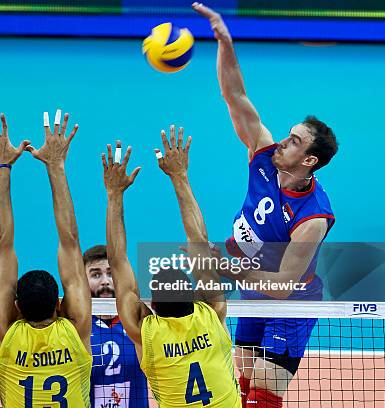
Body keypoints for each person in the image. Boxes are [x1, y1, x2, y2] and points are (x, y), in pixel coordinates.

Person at [193, 3, 338, 407]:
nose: (283, 142)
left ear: (308, 161)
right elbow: (234, 94)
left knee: (263, 396)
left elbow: (282, 286)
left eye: (294, 141)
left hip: (290, 303)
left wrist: (228, 268)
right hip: (254, 288)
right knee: (242, 382)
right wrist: (224, 41)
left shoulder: (312, 217)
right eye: (288, 134)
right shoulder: (262, 154)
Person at [103, 129, 240, 407]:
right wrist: (180, 176)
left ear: (151, 304)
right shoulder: (212, 314)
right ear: (193, 294)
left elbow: (117, 261)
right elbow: (199, 240)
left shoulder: (147, 332)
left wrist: (114, 194)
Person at [0, 111, 92, 406]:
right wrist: (56, 166)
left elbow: (2, 245)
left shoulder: (7, 333)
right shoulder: (75, 329)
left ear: (15, 307)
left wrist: (1, 166)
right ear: (59, 305)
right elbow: (71, 242)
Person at [84, 245, 149, 407]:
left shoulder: (140, 324)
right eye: (96, 274)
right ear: (82, 281)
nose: (105, 281)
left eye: (111, 273)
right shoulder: (77, 329)